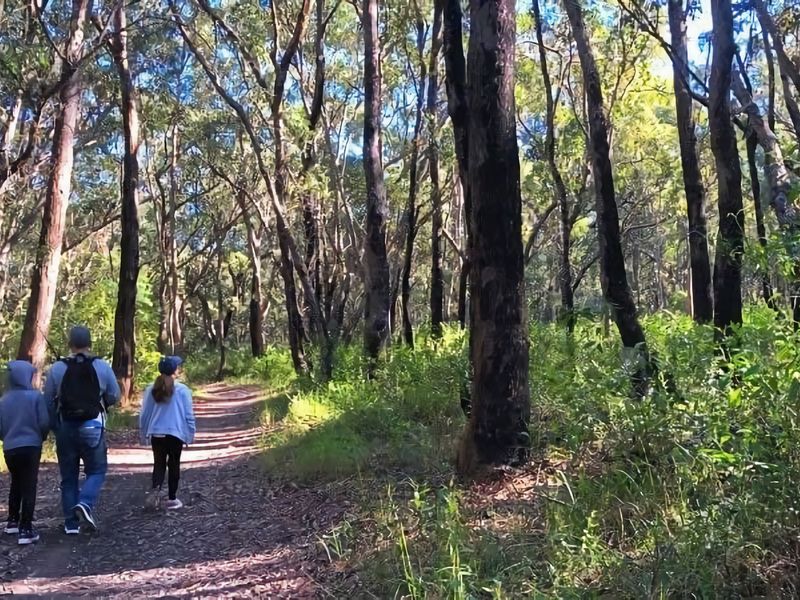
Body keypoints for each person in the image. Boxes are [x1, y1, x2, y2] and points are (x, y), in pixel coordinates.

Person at [43, 326, 120, 534]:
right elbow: (115, 394)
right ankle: (85, 503)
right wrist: (102, 402)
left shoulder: (57, 368)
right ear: (90, 343)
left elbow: (48, 401)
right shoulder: (102, 366)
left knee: (68, 477)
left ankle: (71, 524)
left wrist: (54, 426)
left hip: (66, 427)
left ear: (70, 344)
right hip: (93, 425)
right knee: (96, 470)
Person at [0, 361, 49, 545]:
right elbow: (44, 422)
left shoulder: (3, 400)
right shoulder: (35, 397)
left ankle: (12, 520)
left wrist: (7, 438)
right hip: (31, 446)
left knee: (16, 482)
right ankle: (25, 529)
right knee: (29, 485)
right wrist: (40, 437)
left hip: (10, 448)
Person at [139, 356, 195, 510]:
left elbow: (145, 414)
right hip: (175, 434)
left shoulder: (151, 388)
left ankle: (155, 491)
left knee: (159, 464)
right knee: (174, 464)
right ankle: (172, 499)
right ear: (175, 371)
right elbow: (189, 415)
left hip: (156, 434)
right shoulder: (183, 390)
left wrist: (143, 432)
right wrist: (190, 434)